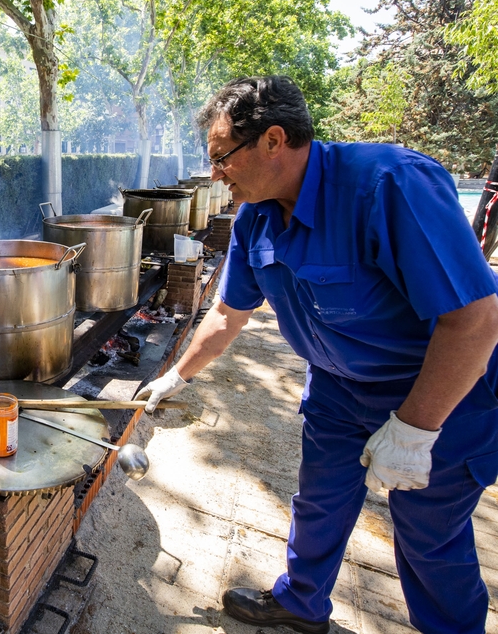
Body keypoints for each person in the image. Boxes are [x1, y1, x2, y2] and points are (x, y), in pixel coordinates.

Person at [136, 75, 498, 634]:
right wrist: (177, 378)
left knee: (429, 539)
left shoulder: (389, 185)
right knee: (319, 504)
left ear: (273, 141)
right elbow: (229, 313)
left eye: (222, 157)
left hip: (440, 394)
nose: (215, 173)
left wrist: (415, 429)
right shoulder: (254, 213)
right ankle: (301, 604)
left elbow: (474, 320)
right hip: (335, 389)